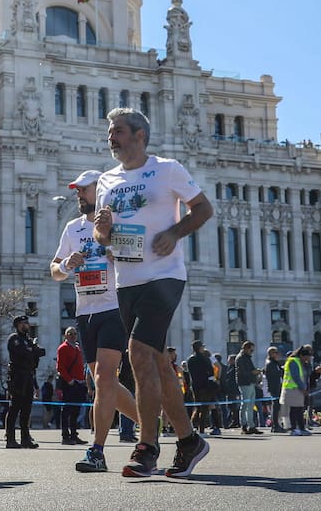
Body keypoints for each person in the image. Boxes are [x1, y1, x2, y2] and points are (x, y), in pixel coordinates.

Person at [92, 108, 214, 478]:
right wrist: (103, 230)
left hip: (164, 276)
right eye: (110, 132)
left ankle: (147, 447)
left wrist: (174, 233)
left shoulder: (167, 169)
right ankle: (190, 441)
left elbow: (203, 209)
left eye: (118, 131)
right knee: (158, 364)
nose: (111, 138)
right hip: (126, 280)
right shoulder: (106, 180)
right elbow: (102, 237)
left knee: (139, 353)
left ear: (139, 135)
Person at [51, 169, 141, 471]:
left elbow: (139, 256)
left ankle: (97, 451)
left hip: (114, 307)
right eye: (77, 190)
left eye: (84, 189)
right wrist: (67, 264)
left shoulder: (119, 221)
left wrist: (118, 254)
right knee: (106, 383)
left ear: (100, 191)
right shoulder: (72, 228)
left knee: (103, 378)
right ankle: (150, 425)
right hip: (85, 312)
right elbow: (54, 270)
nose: (79, 194)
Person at [5, 314, 45, 449]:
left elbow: (39, 353)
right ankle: (10, 439)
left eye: (27, 323)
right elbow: (22, 354)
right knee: (14, 408)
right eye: (23, 323)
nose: (26, 325)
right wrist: (32, 351)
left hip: (28, 377)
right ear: (18, 325)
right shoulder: (14, 339)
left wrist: (32, 351)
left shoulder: (28, 341)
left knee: (26, 410)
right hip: (17, 378)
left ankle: (25, 439)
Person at [56, 326, 89, 446]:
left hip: (79, 383)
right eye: (70, 334)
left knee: (76, 411)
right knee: (67, 411)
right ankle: (65, 436)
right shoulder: (63, 348)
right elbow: (60, 367)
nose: (73, 336)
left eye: (75, 333)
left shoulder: (77, 348)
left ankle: (74, 435)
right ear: (66, 335)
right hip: (70, 383)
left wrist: (83, 380)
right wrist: (69, 380)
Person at [281, 345, 313, 435]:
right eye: (307, 357)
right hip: (292, 389)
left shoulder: (299, 362)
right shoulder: (293, 362)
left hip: (297, 389)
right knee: (294, 410)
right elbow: (296, 377)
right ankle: (293, 428)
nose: (307, 359)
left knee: (299, 409)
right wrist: (303, 388)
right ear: (302, 355)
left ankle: (302, 428)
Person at [234, 342, 262, 434]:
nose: (252, 352)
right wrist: (253, 372)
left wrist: (255, 373)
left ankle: (251, 425)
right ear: (246, 348)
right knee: (245, 404)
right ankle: (244, 425)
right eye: (251, 350)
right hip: (245, 383)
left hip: (251, 382)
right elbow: (242, 372)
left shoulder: (247, 357)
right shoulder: (240, 358)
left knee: (250, 405)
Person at [263, 346, 285, 432]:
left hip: (279, 386)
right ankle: (275, 425)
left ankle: (277, 424)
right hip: (274, 388)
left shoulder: (276, 363)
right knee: (275, 407)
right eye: (276, 353)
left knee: (277, 407)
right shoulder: (270, 364)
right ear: (271, 354)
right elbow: (273, 376)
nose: (278, 354)